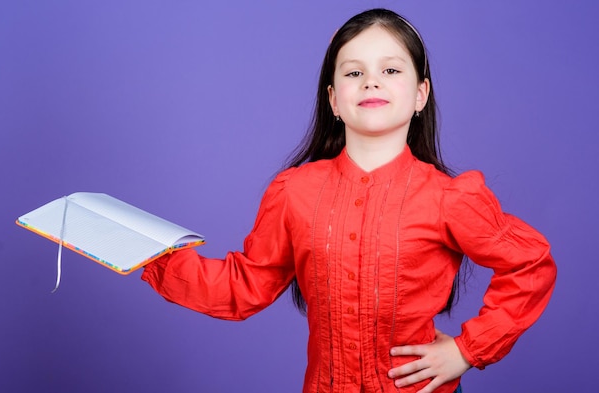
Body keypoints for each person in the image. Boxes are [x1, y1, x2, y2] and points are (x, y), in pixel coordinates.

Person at [142, 8, 557, 393]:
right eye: (354, 72)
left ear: (420, 95)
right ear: (334, 100)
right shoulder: (294, 191)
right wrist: (139, 251)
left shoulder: (449, 196)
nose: (371, 81)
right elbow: (242, 287)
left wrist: (468, 350)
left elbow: (531, 262)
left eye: (390, 69)